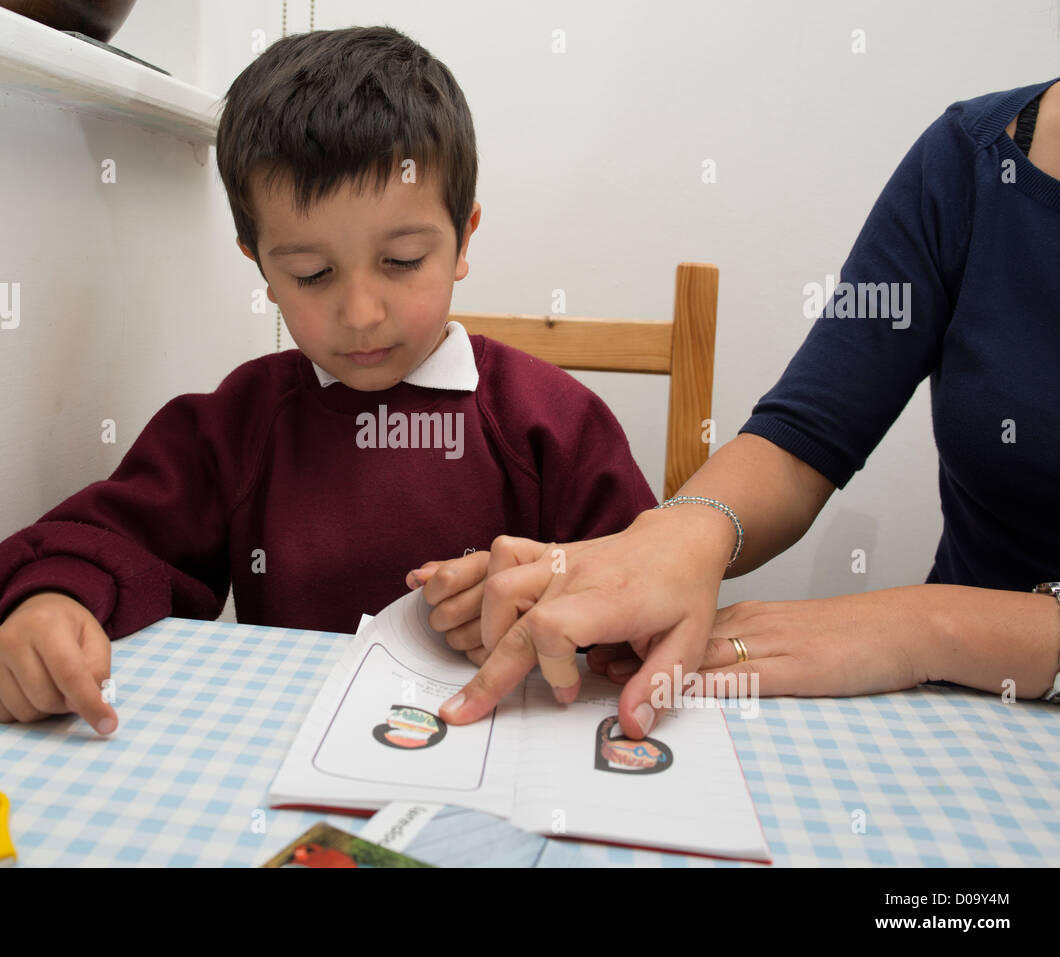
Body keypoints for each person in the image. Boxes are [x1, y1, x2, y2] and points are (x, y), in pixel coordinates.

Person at [0, 27, 657, 735]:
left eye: (403, 259)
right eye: (311, 274)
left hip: (507, 748)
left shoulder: (551, 422)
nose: (359, 314)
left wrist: (548, 599)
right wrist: (53, 603)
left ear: (463, 240)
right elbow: (107, 542)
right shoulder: (236, 425)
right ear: (259, 263)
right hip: (289, 753)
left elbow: (647, 596)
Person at [416, 77, 1060, 739]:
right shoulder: (967, 158)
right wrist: (683, 537)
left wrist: (930, 627)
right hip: (966, 719)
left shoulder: (542, 414)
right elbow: (804, 437)